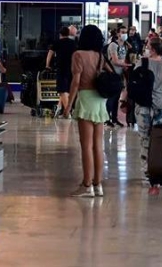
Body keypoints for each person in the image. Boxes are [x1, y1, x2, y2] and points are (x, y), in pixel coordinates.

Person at [63, 25, 109, 198]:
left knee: (86, 146)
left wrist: (68, 106)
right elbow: (109, 73)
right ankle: (98, 185)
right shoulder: (100, 56)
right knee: (98, 146)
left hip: (86, 99)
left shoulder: (78, 55)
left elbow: (75, 82)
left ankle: (86, 184)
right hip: (100, 100)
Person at [134, 38, 162, 195]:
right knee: (158, 141)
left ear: (152, 49)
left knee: (145, 140)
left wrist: (123, 100)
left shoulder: (142, 63)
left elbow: (132, 83)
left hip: (144, 107)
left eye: (148, 47)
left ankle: (147, 174)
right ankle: (157, 175)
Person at [46, 27, 77, 118]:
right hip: (72, 69)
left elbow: (50, 53)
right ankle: (60, 108)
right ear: (69, 34)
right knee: (67, 90)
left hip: (61, 69)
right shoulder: (73, 43)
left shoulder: (57, 42)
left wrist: (47, 65)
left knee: (62, 90)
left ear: (60, 34)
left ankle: (68, 112)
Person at [106, 27, 130, 127]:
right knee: (110, 97)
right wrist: (127, 65)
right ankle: (107, 118)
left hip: (120, 75)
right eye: (122, 32)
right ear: (118, 34)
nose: (124, 34)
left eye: (126, 32)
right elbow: (115, 60)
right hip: (112, 74)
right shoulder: (113, 45)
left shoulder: (124, 46)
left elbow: (123, 59)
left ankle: (115, 118)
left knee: (116, 98)